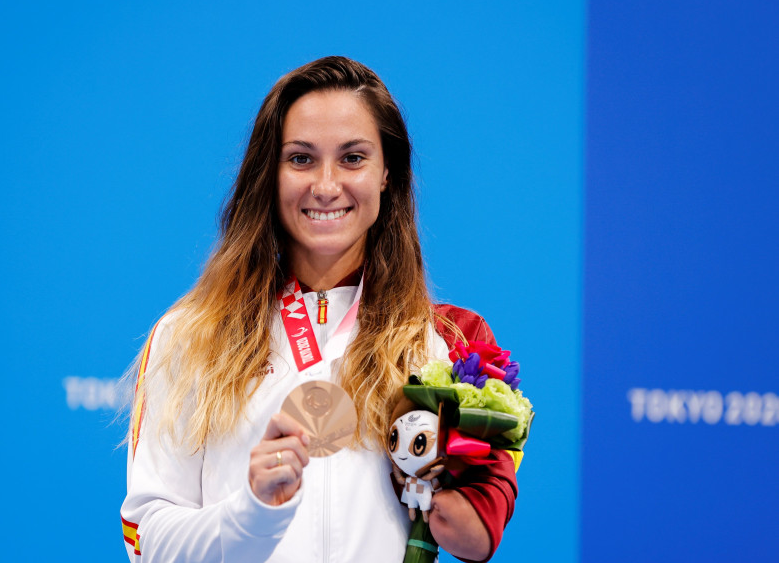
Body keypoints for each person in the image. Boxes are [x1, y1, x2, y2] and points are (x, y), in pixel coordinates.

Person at [120, 56, 518, 563]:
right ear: (270, 173)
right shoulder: (190, 336)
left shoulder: (453, 343)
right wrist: (254, 512)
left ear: (386, 175)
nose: (326, 185)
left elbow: (480, 534)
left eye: (353, 158)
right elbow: (146, 541)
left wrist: (436, 484)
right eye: (301, 159)